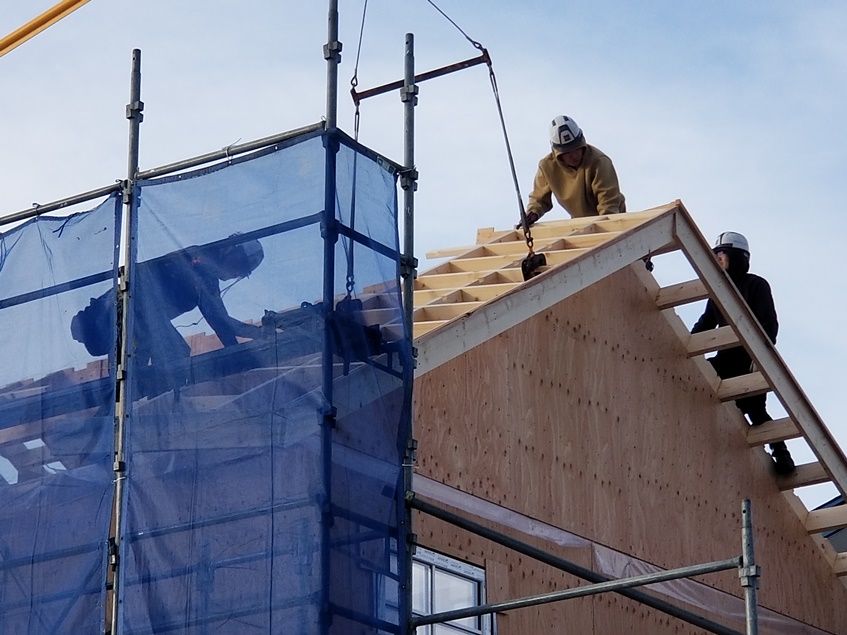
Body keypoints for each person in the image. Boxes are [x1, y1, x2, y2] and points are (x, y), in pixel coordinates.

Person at [72, 236, 266, 391]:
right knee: (173, 356)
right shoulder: (201, 265)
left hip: (133, 320)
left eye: (243, 272)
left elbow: (221, 322)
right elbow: (221, 321)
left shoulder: (200, 262)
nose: (237, 273)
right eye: (240, 265)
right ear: (230, 250)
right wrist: (254, 341)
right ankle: (154, 411)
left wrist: (239, 352)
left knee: (137, 379)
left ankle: (129, 412)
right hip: (127, 315)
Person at [691, 231, 795, 475]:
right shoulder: (718, 291)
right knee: (701, 377)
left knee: (755, 409)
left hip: (749, 360)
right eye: (714, 255)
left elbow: (769, 325)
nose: (717, 259)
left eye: (722, 254)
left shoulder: (756, 285)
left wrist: (759, 358)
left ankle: (782, 456)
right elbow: (705, 323)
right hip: (725, 359)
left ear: (737, 257)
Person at [519, 115, 626, 228]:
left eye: (576, 148)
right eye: (567, 152)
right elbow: (539, 199)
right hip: (580, 222)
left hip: (612, 219)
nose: (574, 155)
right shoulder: (547, 167)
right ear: (558, 152)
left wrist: (607, 227)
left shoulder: (599, 162)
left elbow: (608, 203)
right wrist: (532, 214)